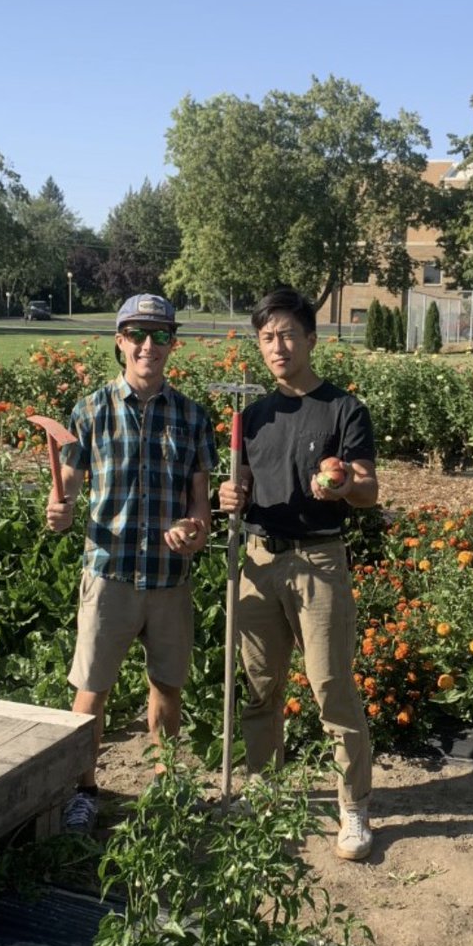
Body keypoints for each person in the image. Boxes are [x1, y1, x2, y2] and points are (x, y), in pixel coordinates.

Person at [217, 287, 379, 861]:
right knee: (260, 688)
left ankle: (353, 805)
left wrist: (344, 484)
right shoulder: (254, 416)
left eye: (287, 334)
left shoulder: (342, 410)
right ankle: (265, 791)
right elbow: (238, 489)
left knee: (331, 686)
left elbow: (366, 489)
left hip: (317, 561)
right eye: (267, 337)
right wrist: (229, 493)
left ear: (311, 338)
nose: (277, 346)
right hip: (258, 561)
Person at [47, 293, 217, 833]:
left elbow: (200, 502)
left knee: (167, 686)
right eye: (138, 335)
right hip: (110, 572)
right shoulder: (90, 409)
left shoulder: (192, 417)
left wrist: (195, 528)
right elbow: (69, 488)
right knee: (91, 688)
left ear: (173, 344)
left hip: (169, 578)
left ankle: (168, 783)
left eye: (161, 335)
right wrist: (59, 508)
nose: (149, 345)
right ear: (120, 341)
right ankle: (82, 789)